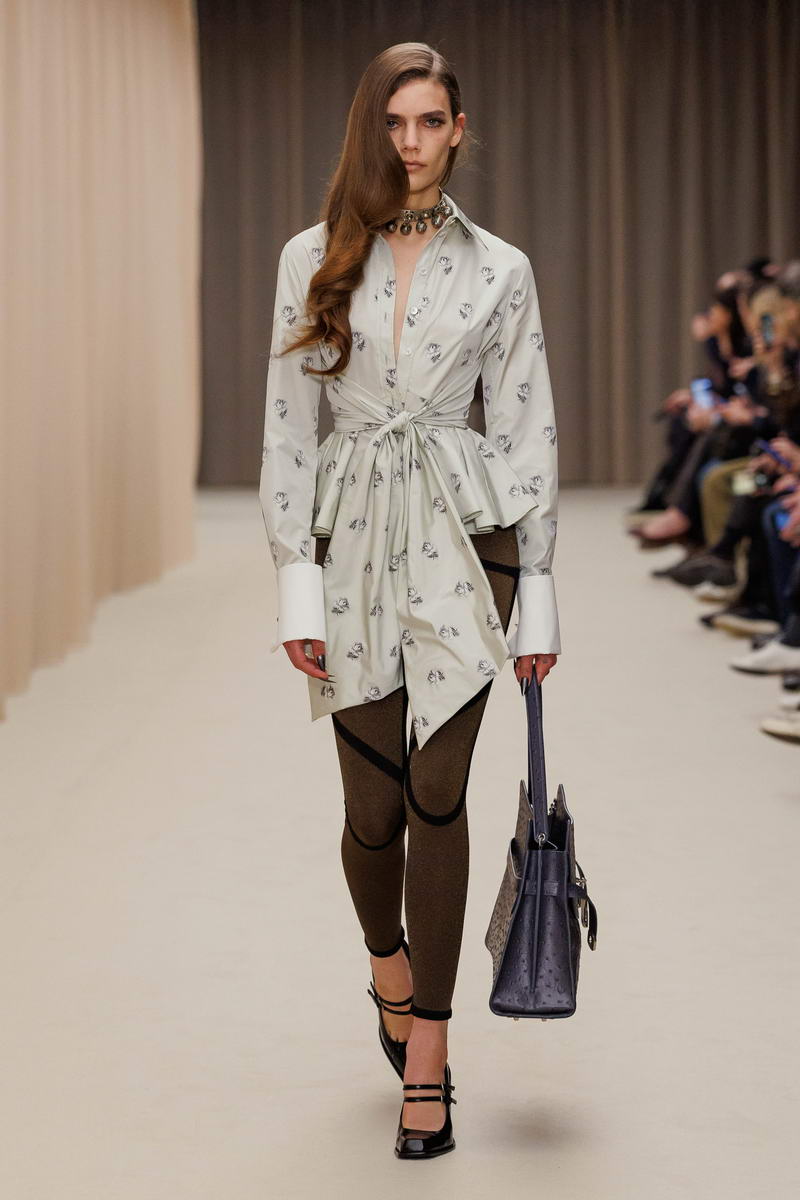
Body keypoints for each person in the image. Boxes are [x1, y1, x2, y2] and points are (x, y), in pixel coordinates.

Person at [258, 42, 562, 1159]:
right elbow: (289, 426)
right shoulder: (311, 257)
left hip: (465, 536)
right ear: (369, 130)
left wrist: (538, 593)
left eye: (430, 121)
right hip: (347, 542)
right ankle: (387, 966)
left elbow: (524, 426)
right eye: (393, 123)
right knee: (372, 808)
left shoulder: (501, 269)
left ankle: (428, 1048)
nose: (412, 142)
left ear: (458, 129)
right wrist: (295, 581)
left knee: (439, 793)